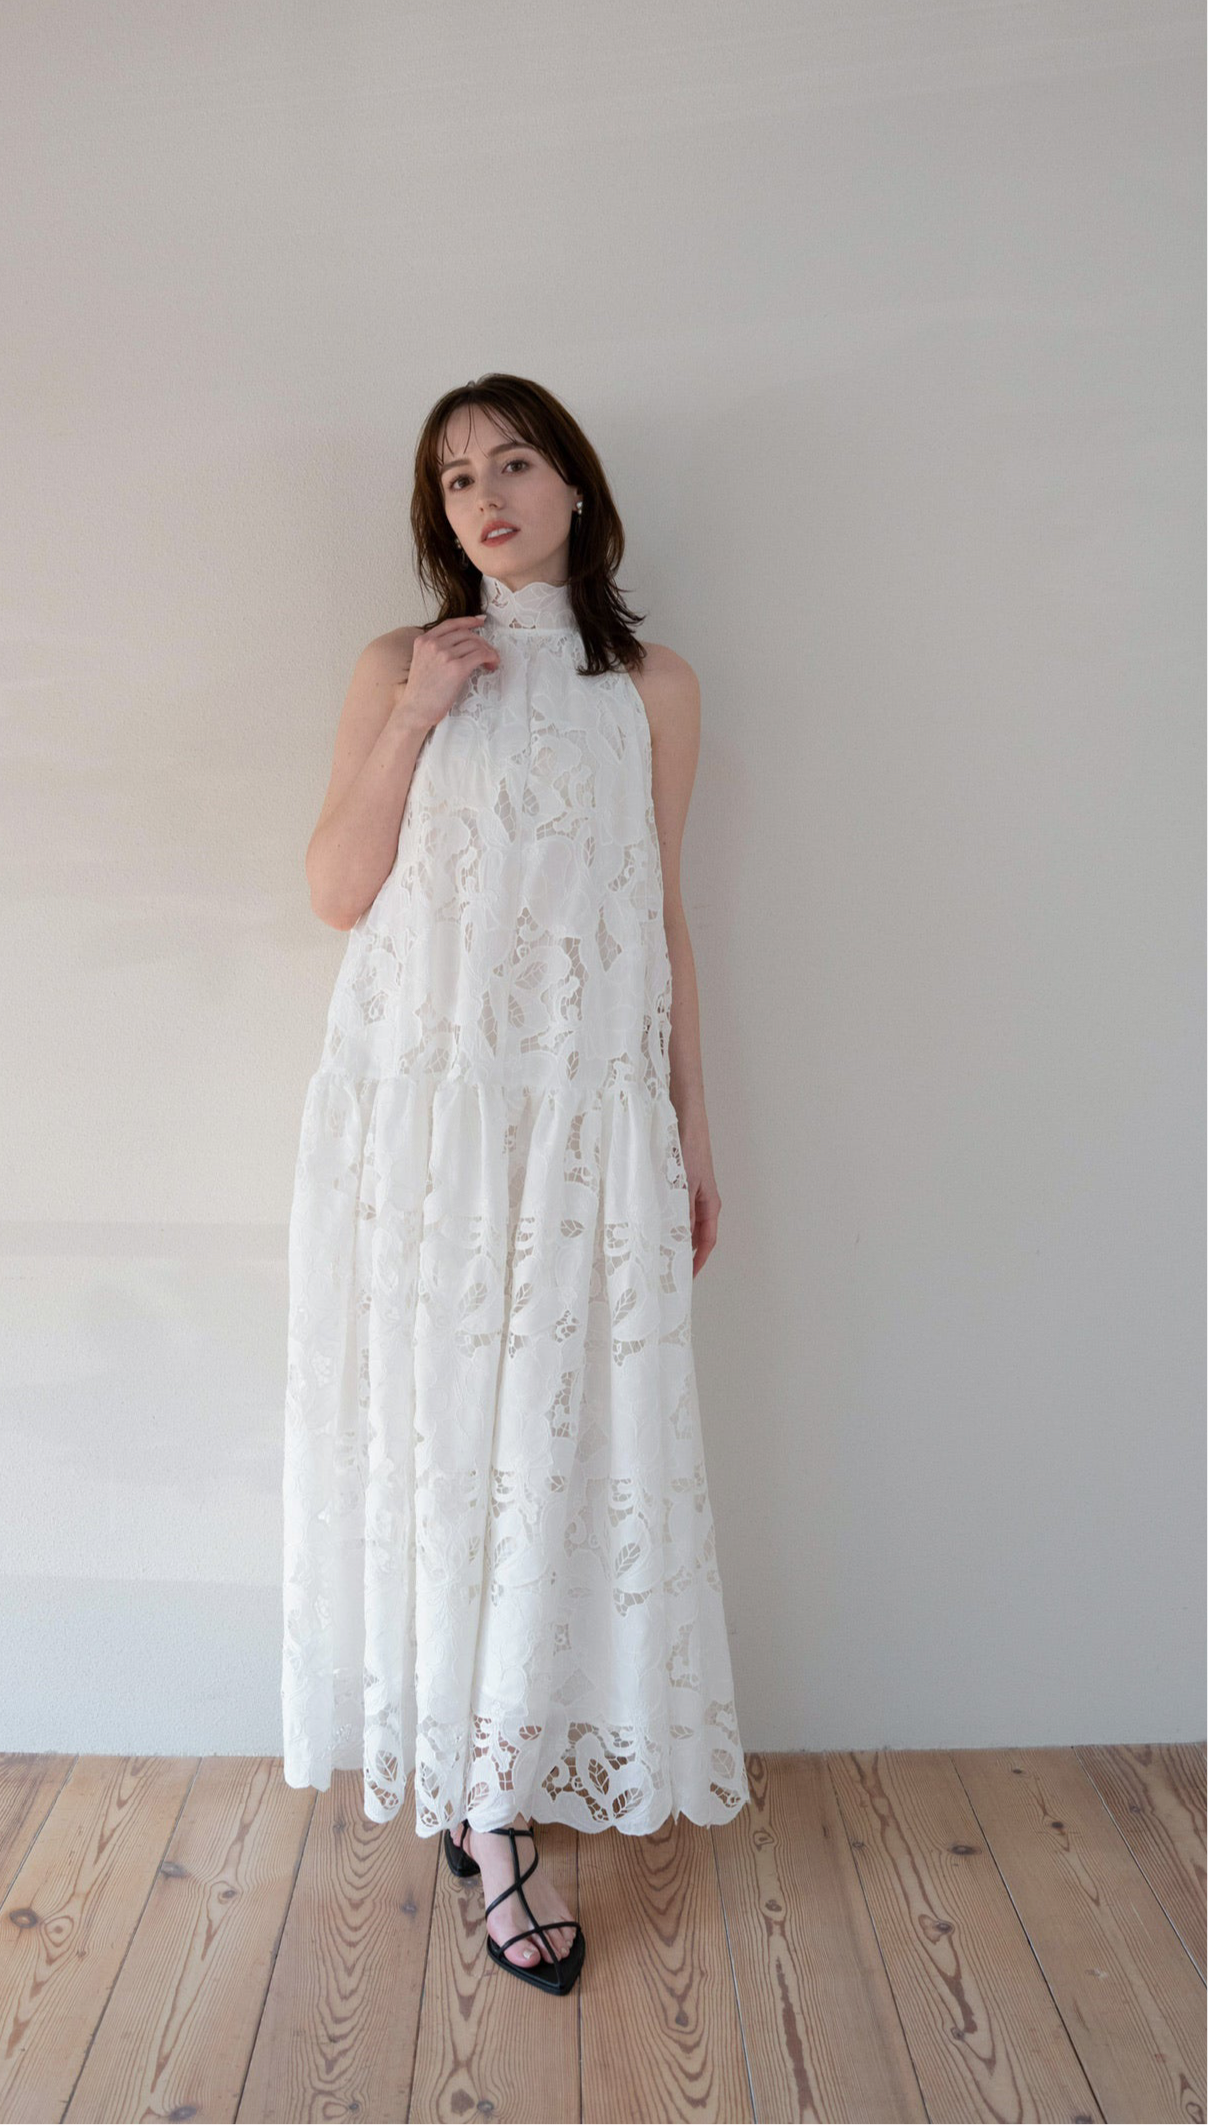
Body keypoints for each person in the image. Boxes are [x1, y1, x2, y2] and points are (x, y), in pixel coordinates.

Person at [281, 373, 749, 1997]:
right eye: (455, 477)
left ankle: (498, 1779)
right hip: (427, 1135)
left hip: (582, 1133)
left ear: (575, 487)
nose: (485, 496)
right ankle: (484, 1817)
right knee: (441, 1452)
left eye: (515, 462)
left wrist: (690, 1131)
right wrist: (417, 710)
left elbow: (661, 914)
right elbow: (337, 891)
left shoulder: (655, 687)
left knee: (556, 1453)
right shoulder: (395, 666)